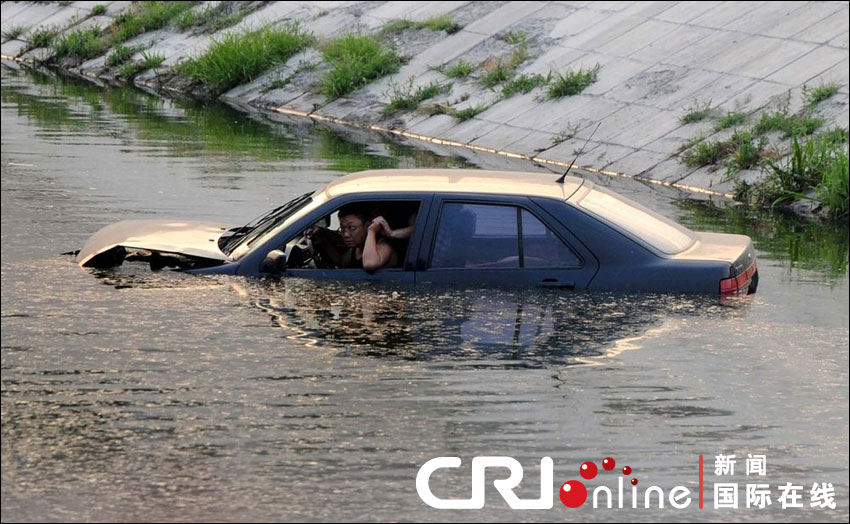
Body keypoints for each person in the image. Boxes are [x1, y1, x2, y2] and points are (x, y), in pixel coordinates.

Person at [304, 205, 398, 271]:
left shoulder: (383, 245)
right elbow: (342, 262)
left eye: (352, 228)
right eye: (342, 228)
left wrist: (372, 231)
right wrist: (325, 239)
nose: (346, 234)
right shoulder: (357, 248)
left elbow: (370, 264)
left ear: (367, 225)